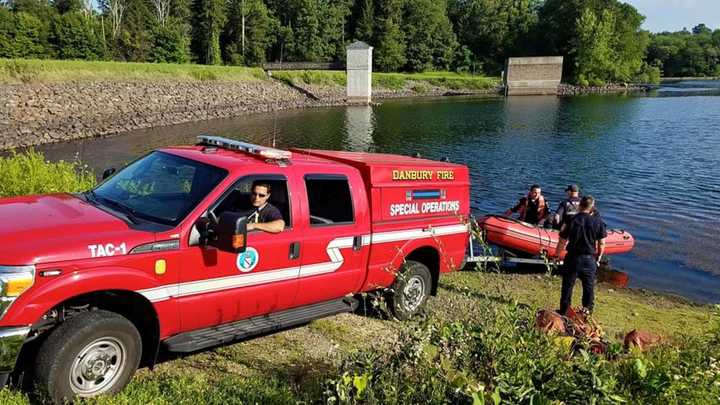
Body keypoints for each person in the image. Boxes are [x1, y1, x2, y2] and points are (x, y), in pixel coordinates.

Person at [554, 195, 607, 315]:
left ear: (579, 205)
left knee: (568, 285)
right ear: (592, 207)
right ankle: (587, 310)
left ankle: (564, 310)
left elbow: (562, 241)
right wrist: (599, 256)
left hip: (573, 257)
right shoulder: (598, 222)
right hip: (589, 258)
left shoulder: (571, 220)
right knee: (588, 287)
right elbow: (602, 243)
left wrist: (557, 255)